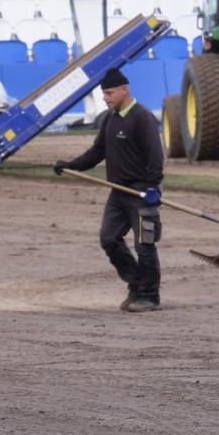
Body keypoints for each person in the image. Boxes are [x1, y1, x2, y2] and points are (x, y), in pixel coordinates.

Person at [53, 68, 165, 312]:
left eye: (109, 93)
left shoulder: (143, 118)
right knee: (109, 239)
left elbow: (156, 157)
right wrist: (71, 165)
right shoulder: (109, 119)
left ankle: (149, 295)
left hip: (141, 192)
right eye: (104, 93)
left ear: (125, 90)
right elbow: (97, 152)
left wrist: (153, 187)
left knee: (144, 245)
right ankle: (137, 283)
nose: (105, 97)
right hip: (118, 193)